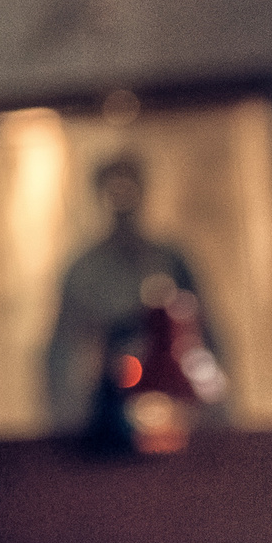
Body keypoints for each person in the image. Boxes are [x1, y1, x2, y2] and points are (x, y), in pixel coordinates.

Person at [46, 151, 210, 440]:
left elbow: (201, 337)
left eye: (129, 186)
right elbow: (64, 349)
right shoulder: (84, 270)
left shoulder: (170, 261)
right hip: (104, 410)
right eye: (113, 189)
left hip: (171, 405)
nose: (122, 198)